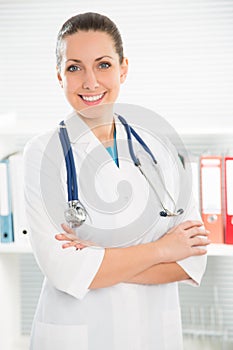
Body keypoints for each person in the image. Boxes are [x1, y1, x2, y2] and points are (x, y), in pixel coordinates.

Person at [23, 12, 210, 350]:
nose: (90, 82)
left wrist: (97, 261)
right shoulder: (42, 153)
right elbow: (63, 270)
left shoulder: (161, 148)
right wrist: (162, 249)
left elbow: (192, 259)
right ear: (59, 76)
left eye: (104, 65)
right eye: (74, 67)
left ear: (124, 68)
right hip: (77, 336)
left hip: (154, 334)